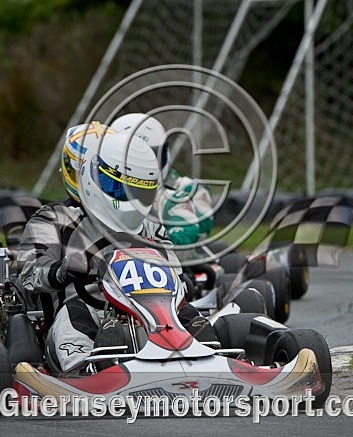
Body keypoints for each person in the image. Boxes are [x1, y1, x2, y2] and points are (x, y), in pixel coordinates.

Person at [18, 131, 205, 373]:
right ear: (91, 177)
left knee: (189, 314)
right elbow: (28, 274)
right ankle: (86, 370)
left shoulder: (151, 226)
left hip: (150, 312)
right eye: (118, 188)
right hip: (87, 310)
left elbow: (176, 278)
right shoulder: (54, 219)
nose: (126, 199)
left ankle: (208, 355)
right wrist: (63, 270)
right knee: (76, 315)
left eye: (137, 191)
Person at [109, 113, 215, 246]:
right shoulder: (101, 190)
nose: (140, 164)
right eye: (130, 156)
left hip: (163, 260)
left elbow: (194, 230)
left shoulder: (181, 191)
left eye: (149, 156)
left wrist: (148, 241)